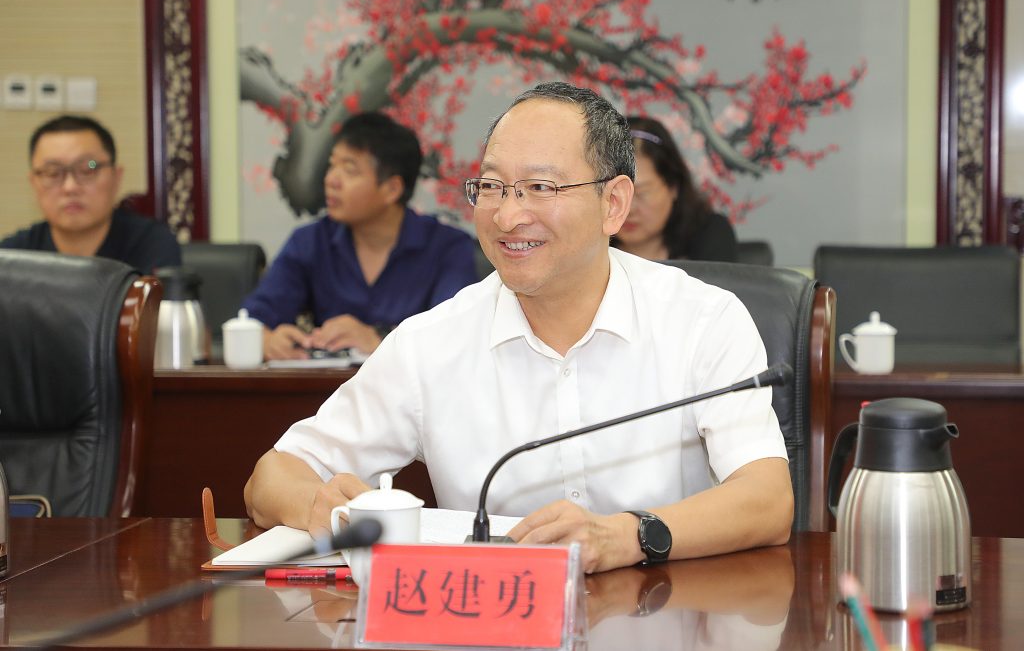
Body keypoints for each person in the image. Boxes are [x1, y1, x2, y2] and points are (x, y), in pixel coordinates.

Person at [244, 82, 792, 574]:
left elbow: (768, 500)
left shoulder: (702, 320)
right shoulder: (431, 342)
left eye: (540, 187)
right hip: (493, 625)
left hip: (669, 616)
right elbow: (271, 476)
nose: (507, 216)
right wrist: (317, 504)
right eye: (492, 186)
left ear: (613, 204)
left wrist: (625, 536)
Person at [241, 111, 477, 359]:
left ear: (392, 189)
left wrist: (378, 339)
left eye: (349, 170)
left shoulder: (448, 248)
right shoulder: (310, 242)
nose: (331, 180)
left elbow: (455, 336)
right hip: (328, 384)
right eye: (332, 166)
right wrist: (268, 342)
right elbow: (252, 320)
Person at [1, 115, 181, 273]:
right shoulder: (12, 257)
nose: (70, 187)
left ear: (116, 177)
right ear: (33, 183)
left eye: (88, 169)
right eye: (53, 172)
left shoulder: (152, 245)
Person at [613, 116, 737, 262]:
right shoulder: (591, 248)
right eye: (614, 194)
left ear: (673, 186)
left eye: (641, 193)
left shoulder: (710, 234)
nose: (628, 210)